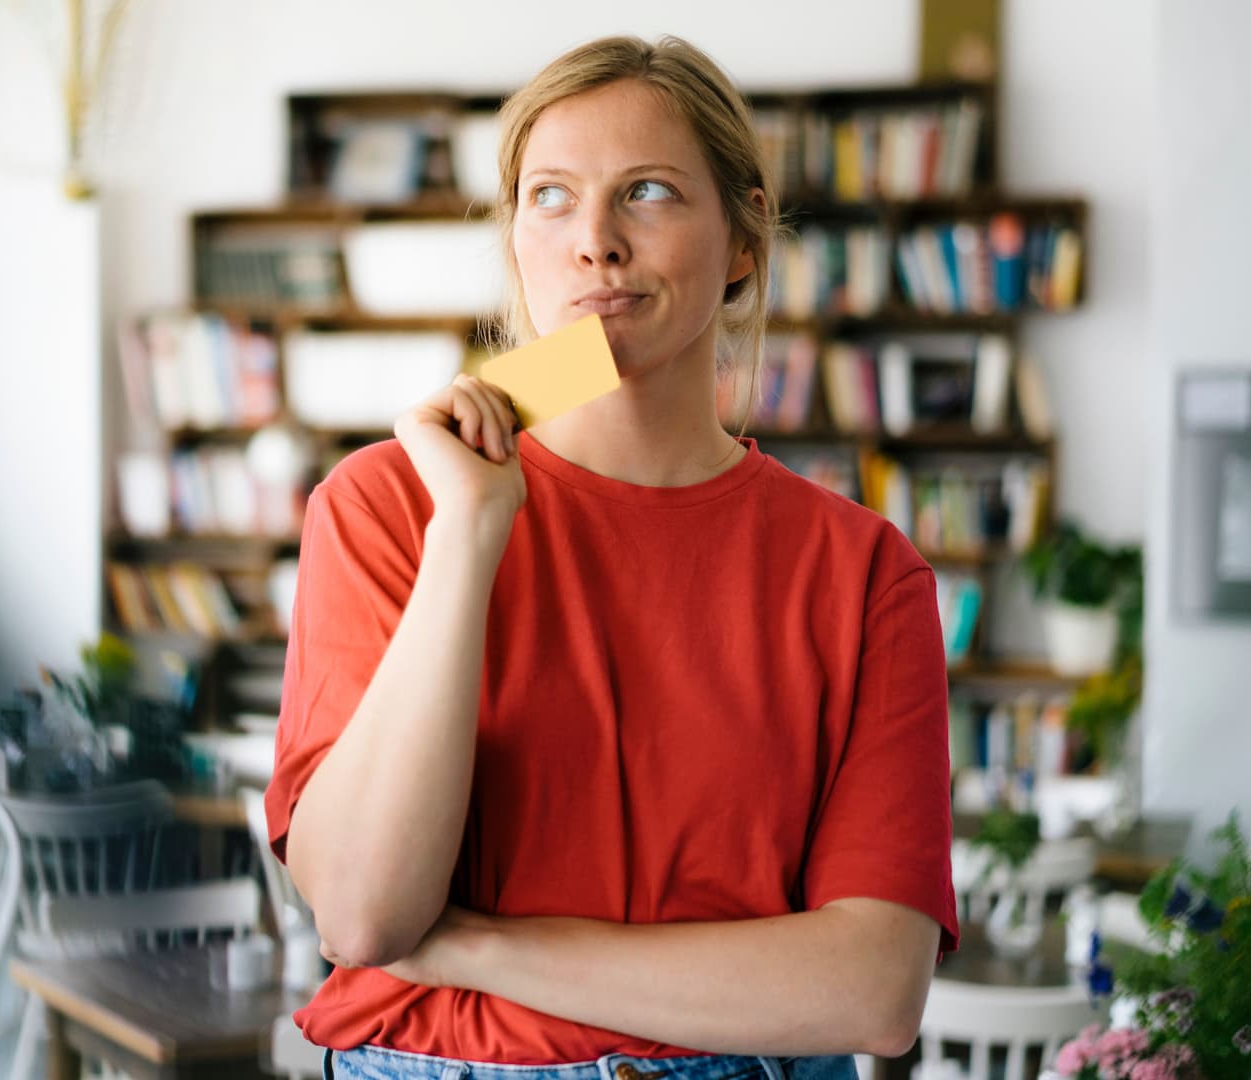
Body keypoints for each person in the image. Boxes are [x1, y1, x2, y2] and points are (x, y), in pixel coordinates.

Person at [264, 33, 959, 1080]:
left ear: (743, 241)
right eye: (550, 197)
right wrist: (467, 534)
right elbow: (365, 913)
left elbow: (872, 991)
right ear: (513, 239)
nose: (595, 242)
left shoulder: (863, 573)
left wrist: (473, 946)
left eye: (647, 192)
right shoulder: (385, 509)